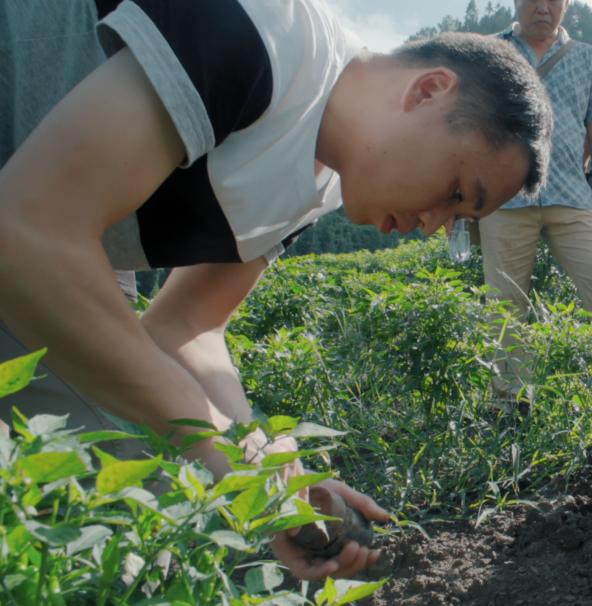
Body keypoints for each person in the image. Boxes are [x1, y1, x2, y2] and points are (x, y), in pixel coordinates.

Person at [0, 0, 552, 580]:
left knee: (140, 495)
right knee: (129, 477)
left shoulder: (325, 182)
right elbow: (29, 231)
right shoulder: (271, 30)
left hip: (57, 241)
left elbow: (187, 324)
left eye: (460, 218)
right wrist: (213, 442)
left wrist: (262, 462)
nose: (435, 223)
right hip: (33, 223)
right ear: (430, 90)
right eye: (458, 191)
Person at [480, 0, 592, 322]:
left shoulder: (586, 56)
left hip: (572, 194)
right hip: (505, 200)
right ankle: (509, 376)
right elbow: (466, 127)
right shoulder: (488, 52)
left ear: (566, 5)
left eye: (553, 1)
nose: (543, 7)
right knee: (504, 310)